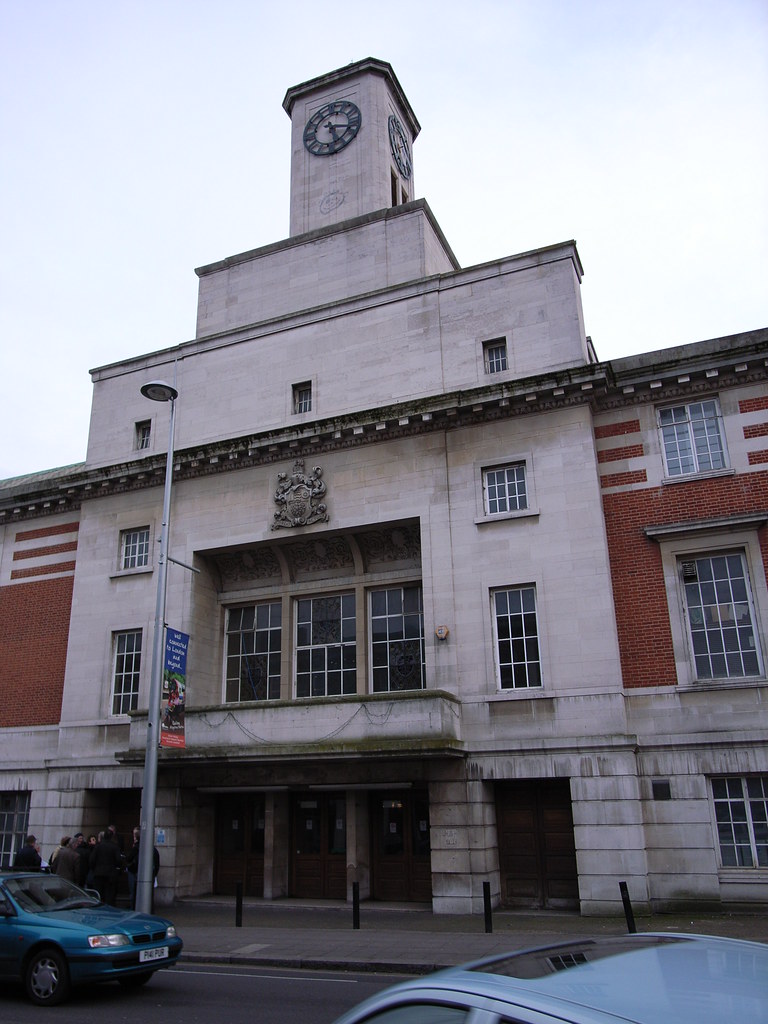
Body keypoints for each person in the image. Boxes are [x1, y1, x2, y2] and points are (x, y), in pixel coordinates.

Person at [124, 827, 160, 910]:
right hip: (149, 874)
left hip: (137, 874)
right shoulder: (152, 849)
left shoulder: (137, 848)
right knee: (148, 894)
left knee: (135, 893)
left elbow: (129, 858)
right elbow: (157, 864)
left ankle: (135, 909)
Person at [89, 829, 123, 905]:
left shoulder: (98, 847)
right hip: (110, 874)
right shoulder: (114, 847)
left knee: (99, 895)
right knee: (109, 896)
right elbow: (119, 861)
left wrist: (94, 869)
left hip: (98, 874)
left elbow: (92, 860)